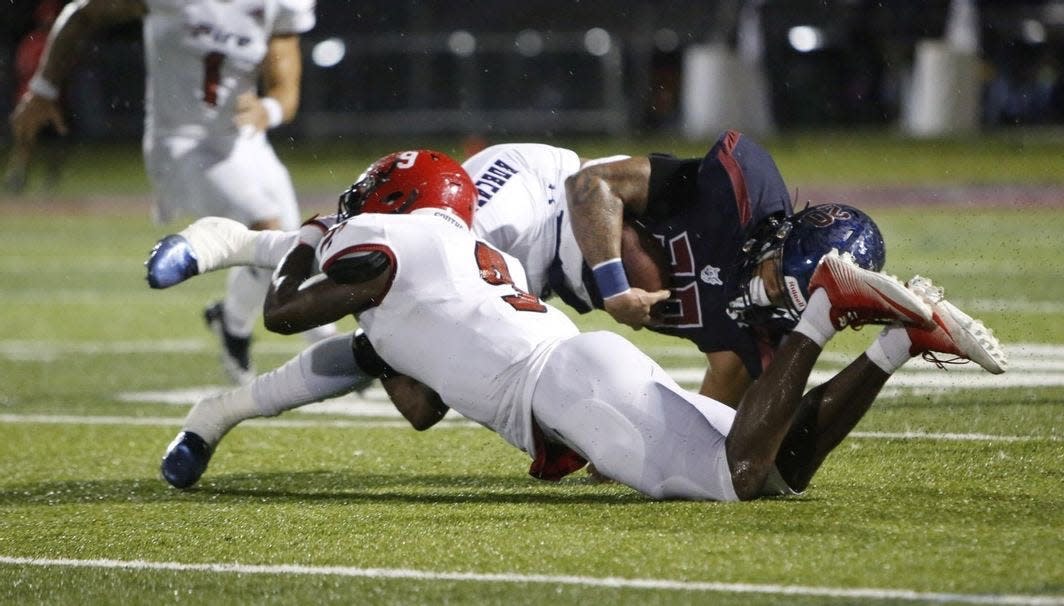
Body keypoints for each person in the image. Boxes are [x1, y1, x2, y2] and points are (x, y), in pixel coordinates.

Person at [158, 150, 1004, 499]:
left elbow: (287, 313)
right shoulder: (431, 246)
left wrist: (298, 239)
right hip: (558, 314)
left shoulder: (388, 240)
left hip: (559, 369)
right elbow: (417, 396)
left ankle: (849, 314)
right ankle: (897, 338)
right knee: (781, 464)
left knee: (747, 474)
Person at [8, 0, 332, 384]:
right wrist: (43, 89)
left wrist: (267, 110)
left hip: (243, 141)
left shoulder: (279, 4)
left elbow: (285, 92)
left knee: (297, 246)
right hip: (180, 142)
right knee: (267, 229)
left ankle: (234, 323)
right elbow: (82, 14)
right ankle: (331, 352)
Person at [4, 0, 66, 194]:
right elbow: (24, 69)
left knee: (54, 144)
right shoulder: (37, 41)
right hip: (30, 99)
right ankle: (17, 178)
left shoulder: (55, 42)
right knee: (25, 143)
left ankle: (47, 180)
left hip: (48, 102)